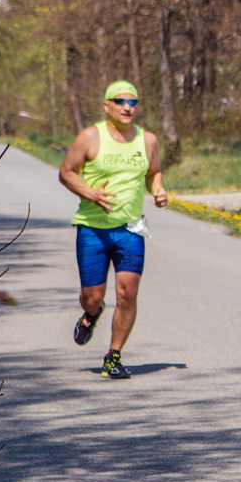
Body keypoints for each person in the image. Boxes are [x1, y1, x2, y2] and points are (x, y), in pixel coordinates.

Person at [58, 80, 169, 379]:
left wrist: (158, 190)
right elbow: (66, 172)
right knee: (91, 297)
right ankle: (91, 314)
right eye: (120, 101)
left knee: (129, 293)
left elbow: (154, 172)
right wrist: (90, 193)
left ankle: (113, 356)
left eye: (132, 102)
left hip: (130, 229)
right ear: (106, 105)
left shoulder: (148, 141)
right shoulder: (90, 137)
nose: (127, 107)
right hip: (92, 229)